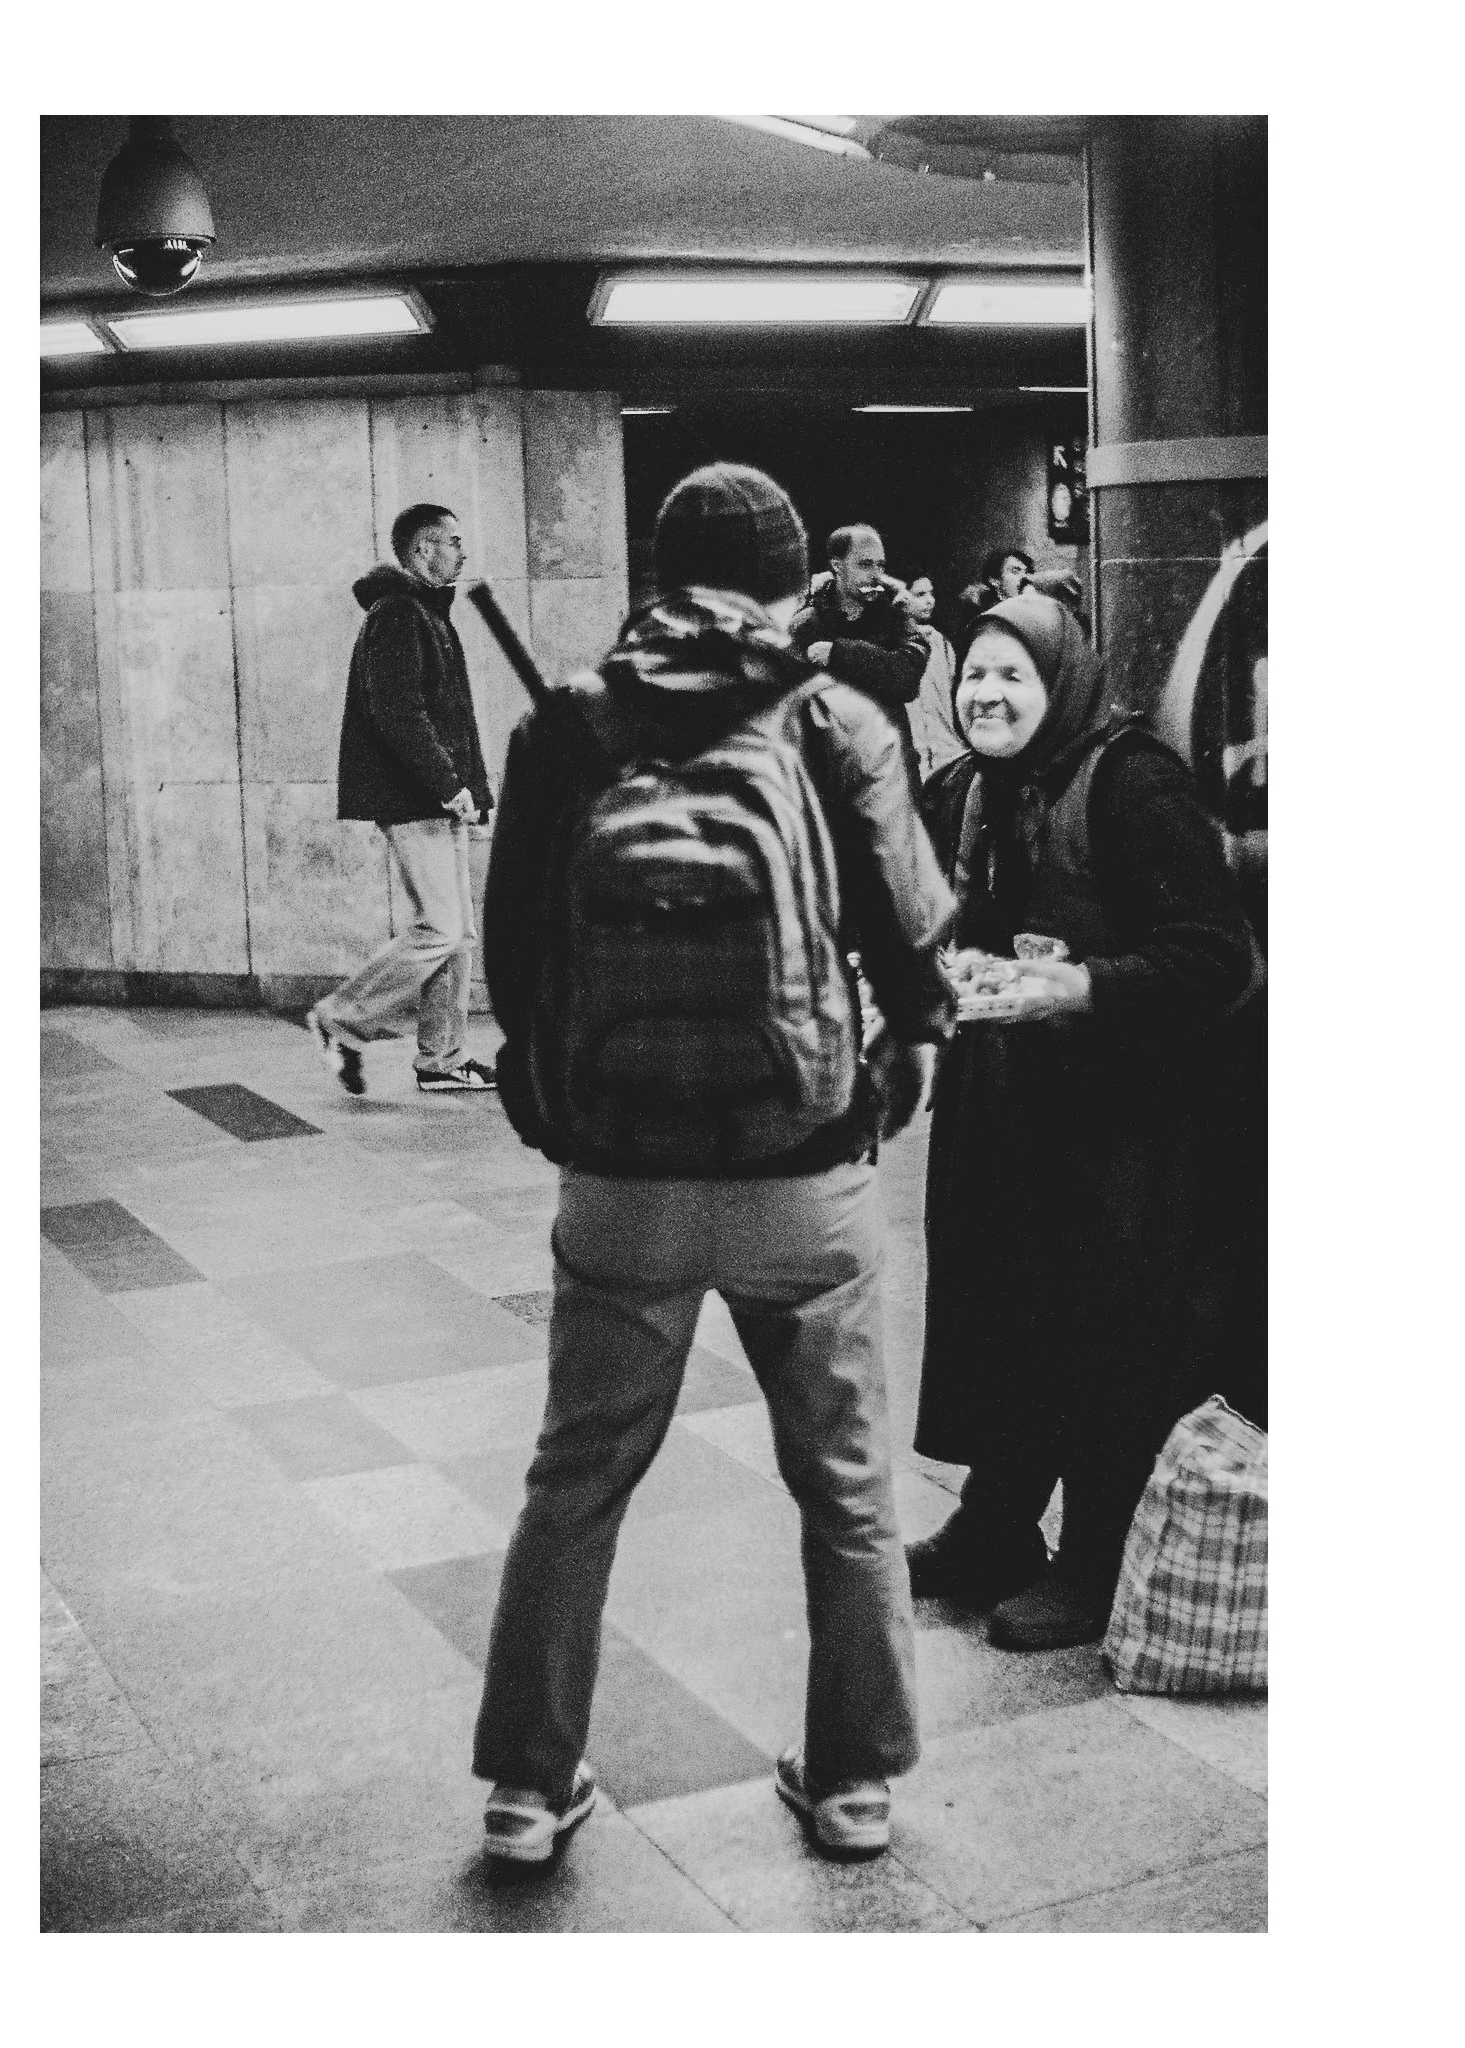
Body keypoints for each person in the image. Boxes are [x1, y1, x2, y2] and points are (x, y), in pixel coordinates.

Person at [471, 463, 957, 1864]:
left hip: (620, 1181)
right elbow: (910, 943)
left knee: (574, 1479)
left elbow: (516, 955)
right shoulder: (834, 716)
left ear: (659, 575)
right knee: (846, 1483)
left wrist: (559, 1111)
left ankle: (526, 1789)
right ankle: (853, 1782)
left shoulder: (566, 721)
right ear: (792, 582)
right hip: (805, 1168)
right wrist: (890, 1072)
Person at [910, 591, 1253, 1651]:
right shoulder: (968, 788)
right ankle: (996, 1524)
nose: (985, 693)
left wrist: (1084, 986)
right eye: (974, 674)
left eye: (1011, 674)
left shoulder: (1130, 783)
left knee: (1106, 1331)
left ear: (1060, 682)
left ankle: (1097, 1555)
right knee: (1001, 1309)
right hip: (1004, 1106)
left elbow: (1213, 956)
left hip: (1122, 1124)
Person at [312, 503, 497, 1095]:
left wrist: (470, 790)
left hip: (438, 798)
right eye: (453, 541)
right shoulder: (398, 614)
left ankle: (442, 1059)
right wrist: (449, 785)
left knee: (458, 936)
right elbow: (399, 714)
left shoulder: (426, 613)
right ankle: (341, 1017)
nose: (462, 552)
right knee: (440, 928)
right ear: (423, 550)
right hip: (415, 798)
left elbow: (447, 718)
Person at [786, 524, 927, 765]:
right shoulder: (806, 624)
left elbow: (907, 679)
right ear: (837, 566)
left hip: (891, 765)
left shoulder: (896, 617)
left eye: (880, 565)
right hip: (830, 766)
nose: (876, 575)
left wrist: (839, 653)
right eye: (865, 564)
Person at [901, 570, 965, 781]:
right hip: (911, 757)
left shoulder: (941, 643)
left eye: (931, 594)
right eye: (920, 595)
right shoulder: (891, 644)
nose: (930, 601)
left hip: (945, 752)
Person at [950, 545, 1034, 643]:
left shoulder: (1034, 611)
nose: (1024, 578)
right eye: (1015, 572)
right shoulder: (983, 620)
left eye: (1027, 573)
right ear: (994, 580)